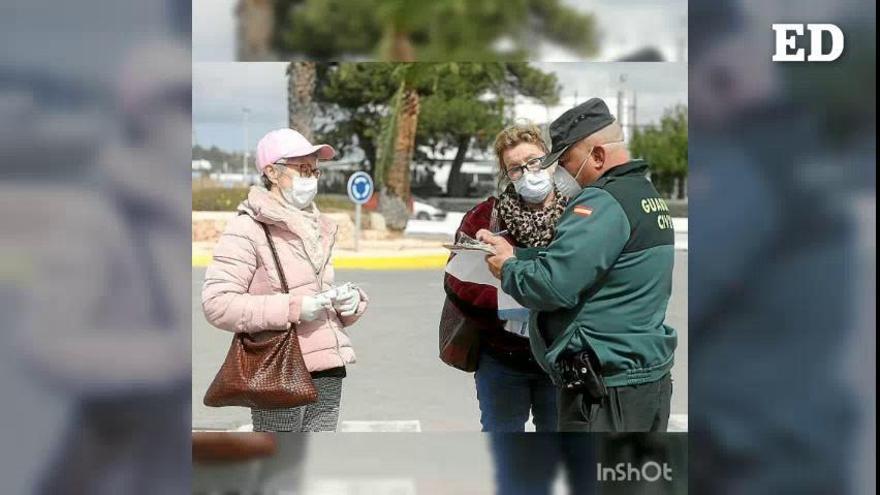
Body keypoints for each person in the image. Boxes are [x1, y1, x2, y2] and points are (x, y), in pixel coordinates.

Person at [477, 98, 677, 432]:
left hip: (608, 393)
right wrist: (517, 255)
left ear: (597, 156)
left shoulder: (602, 201)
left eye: (567, 162)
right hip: (641, 382)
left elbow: (554, 285)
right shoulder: (645, 195)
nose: (564, 174)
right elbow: (590, 263)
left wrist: (509, 269)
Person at [202, 128, 368, 432]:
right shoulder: (248, 228)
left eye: (315, 170)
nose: (312, 178)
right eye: (303, 169)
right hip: (278, 366)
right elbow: (217, 303)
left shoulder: (317, 226)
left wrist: (349, 302)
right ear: (272, 173)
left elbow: (316, 291)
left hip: (328, 365)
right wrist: (293, 308)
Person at [442, 124, 567, 432]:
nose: (528, 173)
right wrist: (506, 303)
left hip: (560, 357)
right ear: (505, 174)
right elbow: (457, 282)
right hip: (501, 358)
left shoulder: (578, 214)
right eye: (515, 168)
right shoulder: (485, 217)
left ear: (550, 160)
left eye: (534, 161)